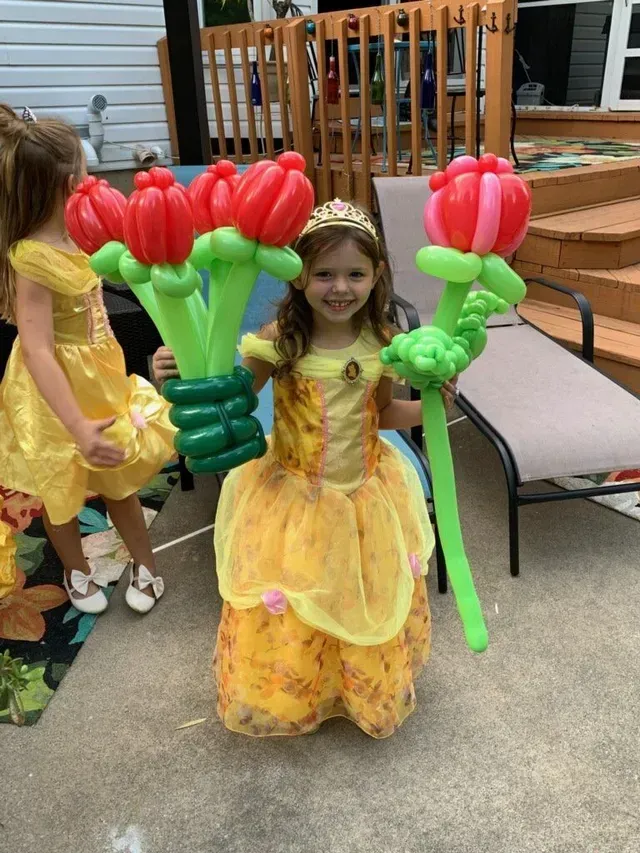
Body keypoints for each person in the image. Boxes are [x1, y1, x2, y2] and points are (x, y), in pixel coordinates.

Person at [153, 199, 456, 738]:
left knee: (357, 592)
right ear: (298, 277)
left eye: (355, 274)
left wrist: (435, 406)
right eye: (324, 274)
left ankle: (350, 687)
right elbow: (229, 404)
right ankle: (304, 691)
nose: (340, 288)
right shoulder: (278, 341)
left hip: (365, 492)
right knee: (300, 597)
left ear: (376, 275)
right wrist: (180, 375)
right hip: (294, 494)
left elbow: (382, 414)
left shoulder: (386, 343)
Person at [0, 105, 176, 616]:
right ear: (63, 184)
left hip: (98, 376)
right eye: (84, 171)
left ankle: (145, 563)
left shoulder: (84, 234)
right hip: (52, 391)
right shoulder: (31, 257)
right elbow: (37, 348)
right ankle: (76, 569)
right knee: (60, 487)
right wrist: (76, 425)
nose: (93, 179)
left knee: (118, 479)